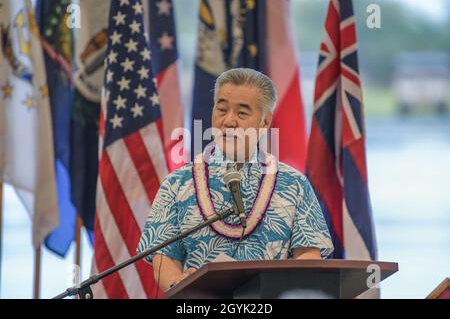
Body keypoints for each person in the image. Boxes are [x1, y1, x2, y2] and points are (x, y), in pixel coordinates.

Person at [137, 68, 334, 292]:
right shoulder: (177, 184)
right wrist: (177, 283)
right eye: (221, 109)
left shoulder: (295, 184)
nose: (229, 121)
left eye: (241, 114)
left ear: (265, 122)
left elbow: (308, 254)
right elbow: (164, 259)